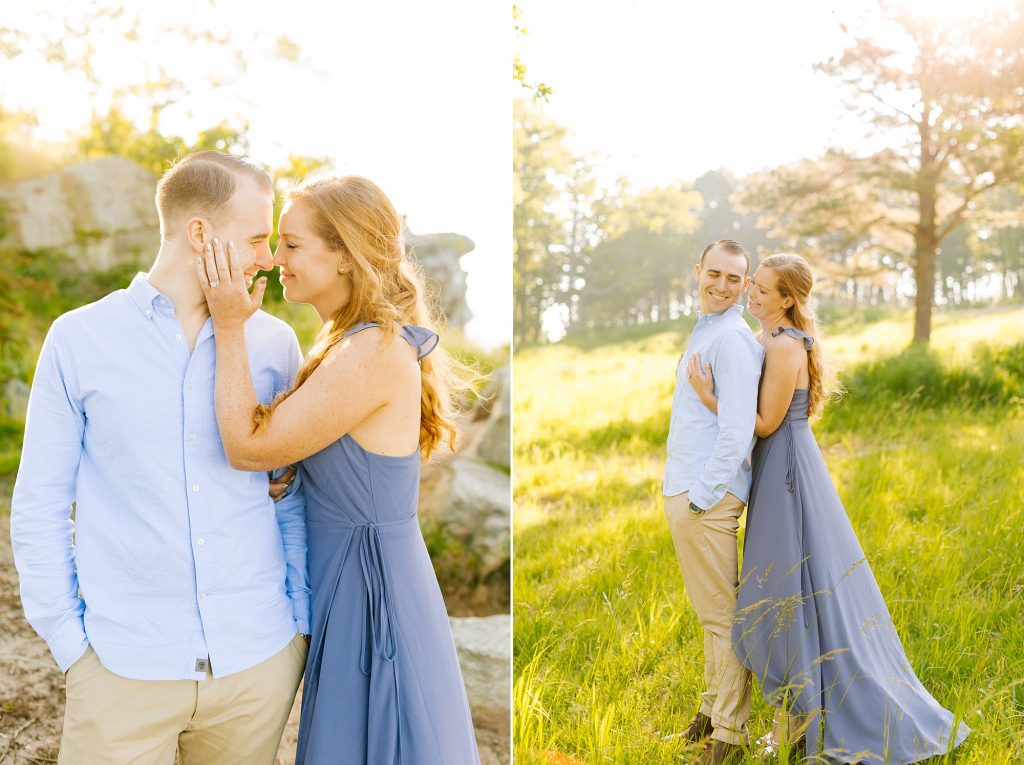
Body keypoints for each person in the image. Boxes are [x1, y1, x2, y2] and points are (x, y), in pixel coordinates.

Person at [10, 150, 310, 765]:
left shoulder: (274, 343)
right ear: (200, 233)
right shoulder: (79, 339)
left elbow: (291, 498)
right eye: (256, 237)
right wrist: (73, 647)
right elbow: (39, 505)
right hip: (122, 667)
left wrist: (296, 627)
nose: (267, 258)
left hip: (257, 661)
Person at [196, 174, 480, 764]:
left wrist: (228, 324)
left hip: (371, 587)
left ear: (346, 256)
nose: (275, 259)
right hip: (351, 577)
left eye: (292, 245)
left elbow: (247, 447)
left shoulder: (370, 350)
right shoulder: (345, 340)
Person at [688, 253, 970, 762]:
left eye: (762, 289)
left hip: (786, 471)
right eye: (753, 285)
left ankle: (806, 715)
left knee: (785, 585)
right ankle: (796, 714)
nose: (750, 292)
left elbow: (766, 424)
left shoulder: (783, 345)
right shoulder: (767, 340)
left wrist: (710, 399)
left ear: (787, 300)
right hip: (777, 468)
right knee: (790, 587)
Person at [662, 239, 764, 764]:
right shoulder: (709, 330)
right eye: (714, 274)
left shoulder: (733, 339)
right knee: (711, 615)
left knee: (723, 619)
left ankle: (728, 734)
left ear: (746, 286)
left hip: (707, 497)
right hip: (687, 490)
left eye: (733, 279)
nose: (721, 285)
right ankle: (710, 710)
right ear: (697, 271)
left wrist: (702, 497)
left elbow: (737, 429)